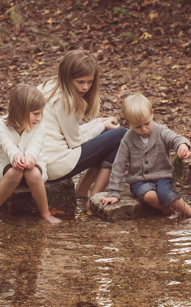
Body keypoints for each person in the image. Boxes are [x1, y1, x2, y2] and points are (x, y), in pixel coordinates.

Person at [39, 50, 127, 200]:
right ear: (68, 77)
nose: (86, 87)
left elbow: (67, 132)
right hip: (55, 166)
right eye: (80, 82)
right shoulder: (65, 100)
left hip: (43, 162)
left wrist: (99, 123)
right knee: (120, 134)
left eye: (90, 82)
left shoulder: (49, 85)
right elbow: (74, 142)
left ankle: (82, 191)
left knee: (107, 135)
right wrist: (100, 127)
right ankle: (94, 197)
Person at [101, 93, 191, 218]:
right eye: (138, 127)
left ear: (152, 114)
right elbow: (119, 165)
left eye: (147, 123)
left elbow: (175, 139)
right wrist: (114, 193)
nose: (144, 129)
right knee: (149, 195)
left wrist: (182, 146)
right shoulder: (127, 139)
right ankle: (169, 211)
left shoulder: (161, 131)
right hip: (139, 181)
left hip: (162, 177)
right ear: (129, 123)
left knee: (166, 193)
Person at [0, 85, 62, 225]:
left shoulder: (39, 126)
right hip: (5, 165)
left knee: (33, 174)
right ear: (20, 111)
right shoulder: (0, 126)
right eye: (35, 113)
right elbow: (7, 145)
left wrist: (31, 157)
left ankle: (45, 213)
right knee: (15, 172)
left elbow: (36, 144)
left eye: (40, 114)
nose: (39, 118)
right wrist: (16, 156)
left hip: (33, 165)